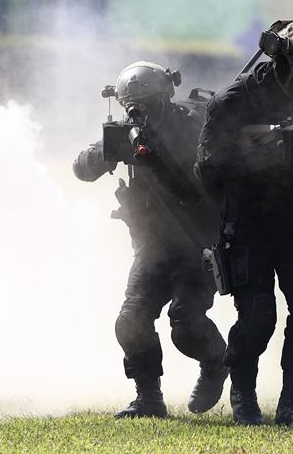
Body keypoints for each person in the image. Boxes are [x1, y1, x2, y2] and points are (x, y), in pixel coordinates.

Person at [195, 19, 293, 427]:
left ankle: (292, 402)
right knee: (258, 315)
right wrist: (266, 152)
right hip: (249, 223)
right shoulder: (233, 102)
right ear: (281, 61)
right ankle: (243, 394)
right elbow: (207, 172)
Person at [73, 61, 228, 419]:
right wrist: (109, 150)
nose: (140, 112)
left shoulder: (194, 123)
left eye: (148, 103)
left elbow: (211, 176)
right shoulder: (128, 133)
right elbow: (81, 168)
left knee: (185, 325)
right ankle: (148, 398)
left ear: (165, 96)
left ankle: (216, 362)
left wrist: (163, 154)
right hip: (153, 245)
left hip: (197, 243)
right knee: (131, 319)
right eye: (133, 106)